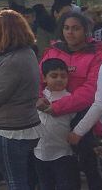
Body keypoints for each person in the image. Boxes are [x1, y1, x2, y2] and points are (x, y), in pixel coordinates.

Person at [0, 9, 42, 190]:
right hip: (25, 124)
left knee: (15, 181)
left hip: (11, 129)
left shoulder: (13, 60)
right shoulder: (27, 53)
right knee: (26, 179)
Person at [39, 11, 102, 190]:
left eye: (76, 28)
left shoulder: (98, 56)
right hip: (51, 121)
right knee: (61, 173)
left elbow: (90, 92)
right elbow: (38, 81)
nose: (70, 32)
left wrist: (57, 107)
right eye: (66, 28)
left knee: (92, 169)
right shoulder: (53, 51)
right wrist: (40, 102)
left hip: (84, 120)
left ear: (86, 31)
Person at [34, 58, 80, 190]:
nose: (59, 79)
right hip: (39, 153)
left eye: (63, 76)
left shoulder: (70, 98)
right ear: (44, 78)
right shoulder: (39, 98)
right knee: (45, 185)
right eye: (54, 76)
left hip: (63, 153)